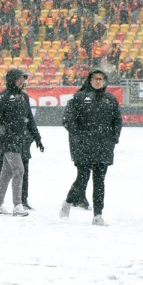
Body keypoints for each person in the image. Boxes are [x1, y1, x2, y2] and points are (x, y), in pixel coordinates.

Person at [61, 70, 121, 225]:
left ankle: (97, 215)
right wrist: (79, 136)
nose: (98, 82)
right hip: (83, 147)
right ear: (90, 80)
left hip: (103, 147)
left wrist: (113, 139)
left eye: (101, 79)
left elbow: (117, 121)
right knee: (82, 179)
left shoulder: (110, 99)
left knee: (99, 182)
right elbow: (68, 120)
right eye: (96, 79)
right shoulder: (79, 97)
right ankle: (68, 202)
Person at [0, 69, 43, 216]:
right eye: (19, 79)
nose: (21, 81)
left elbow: (30, 119)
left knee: (6, 173)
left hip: (20, 140)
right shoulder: (1, 97)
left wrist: (38, 138)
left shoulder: (24, 97)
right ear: (11, 79)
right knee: (19, 170)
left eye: (23, 79)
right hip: (6, 140)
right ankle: (17, 205)